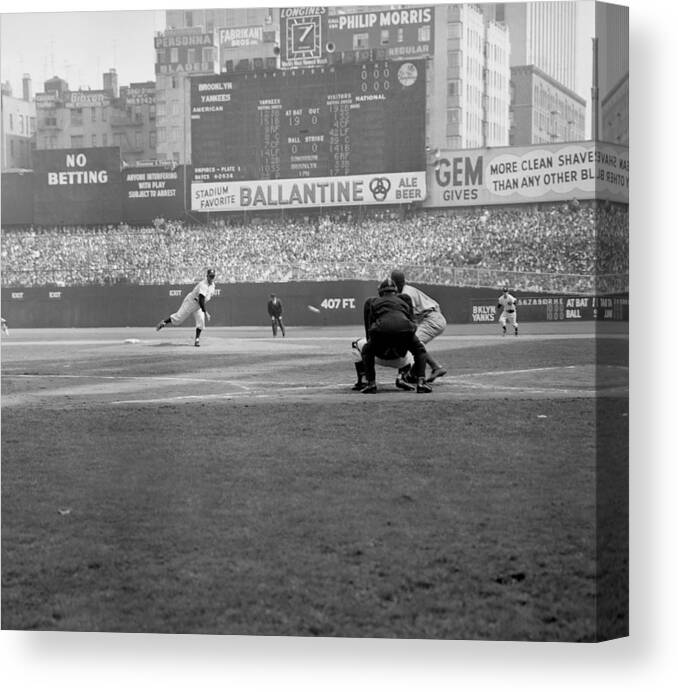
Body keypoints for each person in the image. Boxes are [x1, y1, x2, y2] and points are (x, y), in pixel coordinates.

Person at [360, 278, 432, 394]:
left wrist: (376, 343)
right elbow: (412, 322)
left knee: (366, 350)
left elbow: (370, 328)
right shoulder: (404, 301)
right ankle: (421, 382)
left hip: (382, 330)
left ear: (381, 291)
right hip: (405, 330)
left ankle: (371, 383)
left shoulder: (373, 302)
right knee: (420, 350)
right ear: (395, 291)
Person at [390, 269, 447, 383]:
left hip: (431, 318)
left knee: (413, 343)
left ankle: (431, 369)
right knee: (414, 343)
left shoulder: (407, 294)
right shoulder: (404, 291)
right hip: (431, 317)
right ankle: (426, 370)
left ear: (395, 282)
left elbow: (408, 318)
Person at [156, 268, 216, 347]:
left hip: (198, 306)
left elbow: (204, 299)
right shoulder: (203, 285)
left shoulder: (213, 285)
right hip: (191, 302)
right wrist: (206, 312)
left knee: (201, 322)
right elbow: (201, 300)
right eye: (210, 276)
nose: (211, 278)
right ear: (207, 276)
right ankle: (164, 322)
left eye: (213, 276)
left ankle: (197, 340)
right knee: (178, 319)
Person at [351, 337, 415, 392]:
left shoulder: (378, 324)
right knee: (414, 347)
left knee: (356, 344)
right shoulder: (406, 325)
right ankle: (402, 376)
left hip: (376, 356)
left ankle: (364, 380)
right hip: (401, 361)